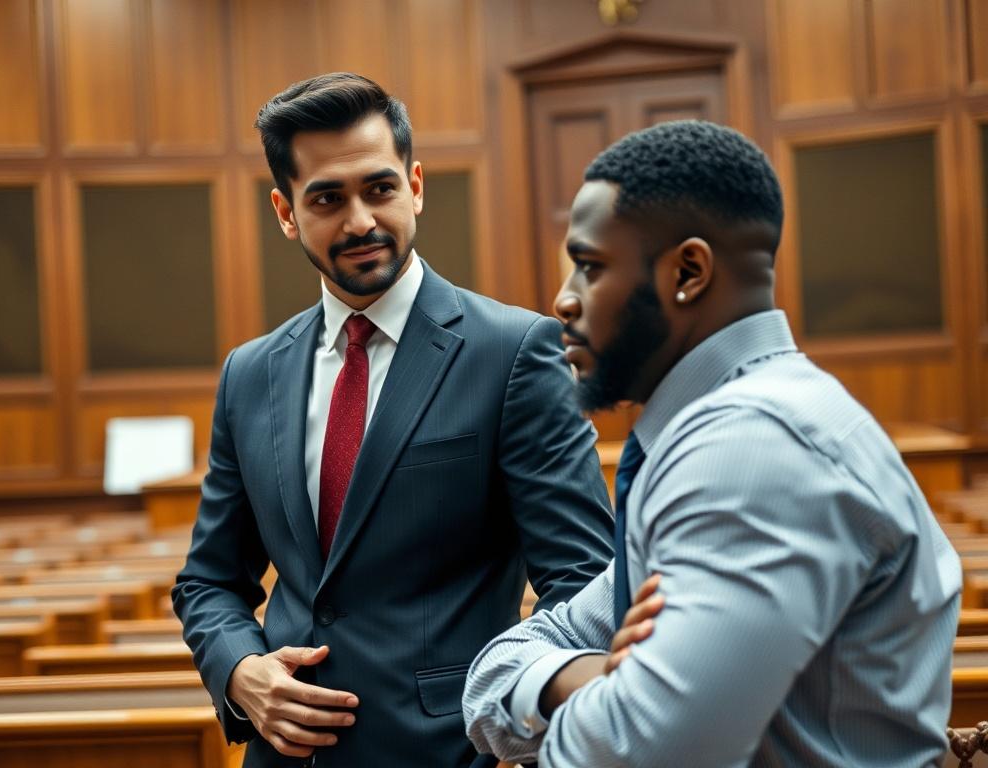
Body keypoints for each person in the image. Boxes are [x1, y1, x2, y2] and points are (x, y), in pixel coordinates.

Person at [463, 120, 962, 767]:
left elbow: (638, 754)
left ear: (689, 272)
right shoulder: (715, 439)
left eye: (589, 267)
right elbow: (489, 679)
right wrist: (591, 679)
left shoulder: (753, 453)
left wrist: (589, 696)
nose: (563, 300)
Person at [171, 72, 613, 768]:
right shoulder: (248, 374)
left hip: (455, 751)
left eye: (378, 189)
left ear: (415, 185)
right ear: (286, 213)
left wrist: (527, 726)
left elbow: (584, 583)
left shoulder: (515, 353)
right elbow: (209, 580)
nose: (359, 221)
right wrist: (239, 673)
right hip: (284, 756)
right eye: (326, 198)